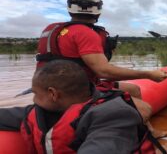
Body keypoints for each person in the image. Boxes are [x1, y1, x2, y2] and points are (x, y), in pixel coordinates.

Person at [35, 0, 167, 138]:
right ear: (98, 11)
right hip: (75, 92)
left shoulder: (50, 29)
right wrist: (148, 74)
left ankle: (149, 132)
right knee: (144, 110)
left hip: (49, 89)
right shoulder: (86, 33)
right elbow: (103, 71)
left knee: (133, 89)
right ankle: (130, 140)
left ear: (69, 9)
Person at [0, 60, 142, 153]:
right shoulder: (39, 112)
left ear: (53, 94)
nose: (34, 99)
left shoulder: (114, 116)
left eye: (36, 93)